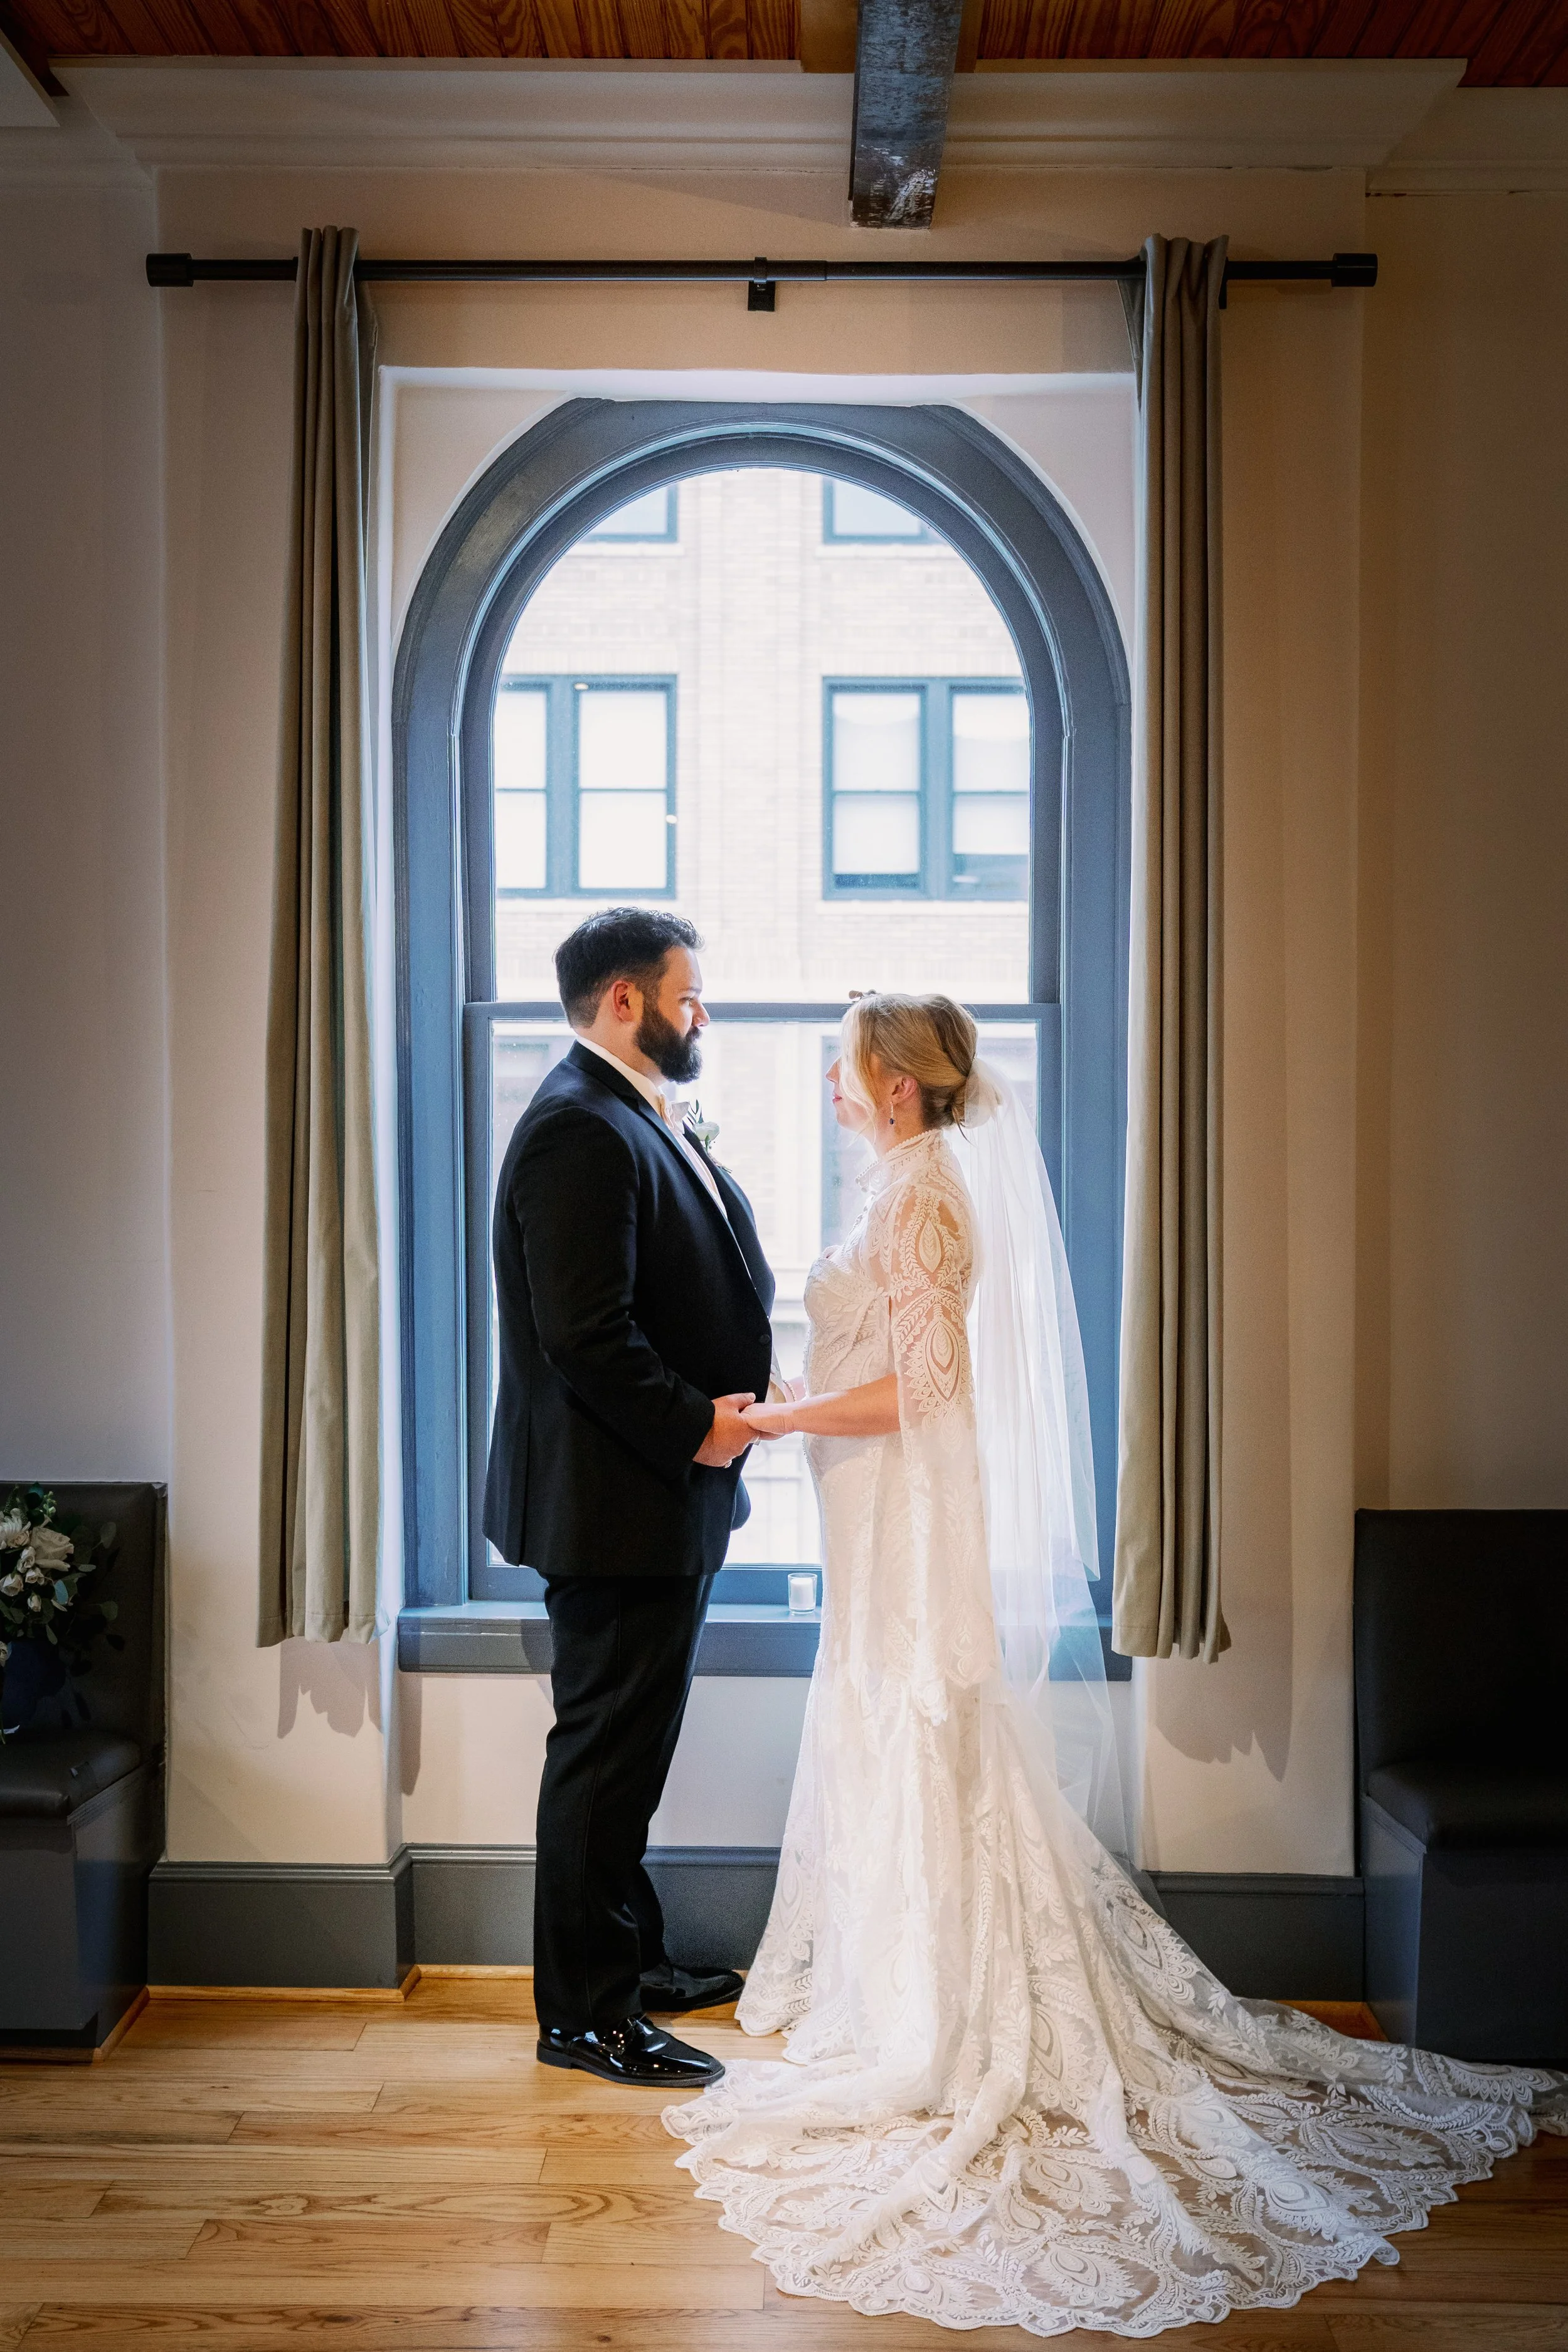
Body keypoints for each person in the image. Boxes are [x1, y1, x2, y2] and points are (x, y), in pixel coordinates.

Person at [664, 989, 1565, 2336]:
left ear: (896, 1087)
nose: (833, 1089)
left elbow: (926, 1388)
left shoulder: (922, 1194)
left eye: (844, 1072)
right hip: (873, 1513)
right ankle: (912, 1985)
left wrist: (777, 1420)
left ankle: (950, 2013)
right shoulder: (907, 1179)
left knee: (923, 1735)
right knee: (890, 1736)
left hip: (906, 1511)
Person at [485, 907, 779, 2090]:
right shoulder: (576, 1129)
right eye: (686, 993)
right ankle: (587, 2017)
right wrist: (702, 1423)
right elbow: (585, 1337)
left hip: (658, 1501)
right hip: (620, 1504)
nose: (698, 1012)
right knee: (605, 1759)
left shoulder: (622, 1111)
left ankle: (632, 1957)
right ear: (625, 999)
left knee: (629, 1754)